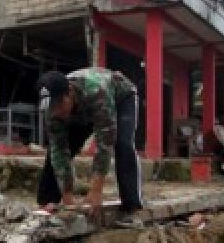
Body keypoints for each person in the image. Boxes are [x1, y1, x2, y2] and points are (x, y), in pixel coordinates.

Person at [36, 67, 144, 217]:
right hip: (81, 111)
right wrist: (68, 200)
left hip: (120, 98)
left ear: (69, 93)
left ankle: (132, 206)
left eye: (59, 106)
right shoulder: (53, 113)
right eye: (52, 109)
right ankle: (48, 201)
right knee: (57, 150)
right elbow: (59, 152)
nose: (57, 113)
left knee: (122, 143)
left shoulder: (96, 92)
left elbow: (104, 145)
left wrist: (96, 191)